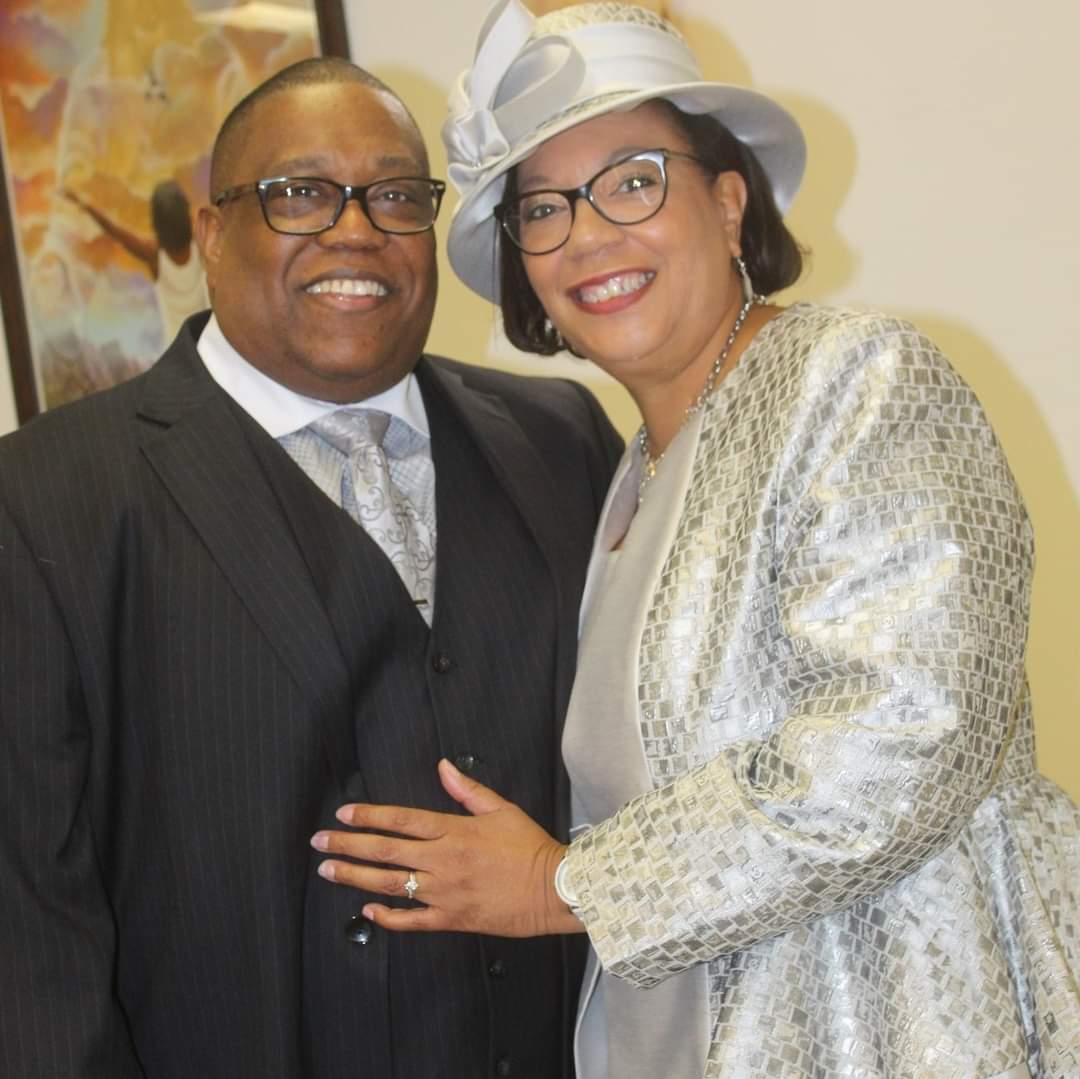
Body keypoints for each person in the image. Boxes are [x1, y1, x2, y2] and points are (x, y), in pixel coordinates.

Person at [308, 4, 1080, 1077]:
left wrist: (564, 884)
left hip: (888, 1032)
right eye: (542, 209)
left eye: (631, 181)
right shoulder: (626, 475)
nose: (586, 234)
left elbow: (907, 731)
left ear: (728, 202)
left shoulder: (854, 378)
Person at [0, 56, 621, 1079]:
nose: (355, 229)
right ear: (210, 234)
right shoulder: (45, 499)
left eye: (394, 195)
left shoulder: (563, 441)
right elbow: (26, 934)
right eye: (298, 194)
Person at [64, 179, 210, 345]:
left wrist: (84, 204)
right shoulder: (201, 245)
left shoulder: (153, 254)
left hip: (178, 347)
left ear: (157, 222)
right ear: (186, 215)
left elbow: (115, 231)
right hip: (205, 340)